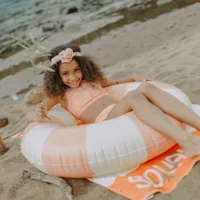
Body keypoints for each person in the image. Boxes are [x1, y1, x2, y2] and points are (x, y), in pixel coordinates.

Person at [31, 43, 200, 158]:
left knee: (146, 88)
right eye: (66, 74)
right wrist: (41, 110)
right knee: (134, 96)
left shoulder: (93, 81)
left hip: (117, 109)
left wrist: (133, 79)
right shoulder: (59, 95)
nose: (73, 77)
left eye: (76, 70)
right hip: (104, 121)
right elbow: (44, 107)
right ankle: (186, 141)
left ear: (83, 67)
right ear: (56, 76)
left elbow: (115, 84)